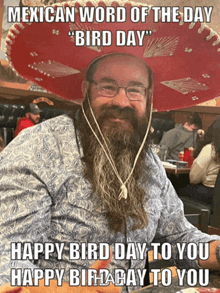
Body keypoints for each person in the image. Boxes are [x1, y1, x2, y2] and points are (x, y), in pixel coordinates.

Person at [1, 1, 220, 293]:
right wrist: (52, 288)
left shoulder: (149, 162)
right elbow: (8, 257)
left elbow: (181, 239)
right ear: (85, 90)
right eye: (107, 86)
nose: (122, 101)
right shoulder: (36, 149)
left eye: (134, 89)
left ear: (149, 97)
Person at [179, 118, 220, 204]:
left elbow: (194, 178)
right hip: (216, 196)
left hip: (208, 193)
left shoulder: (210, 149)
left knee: (177, 187)